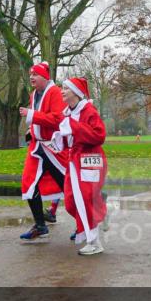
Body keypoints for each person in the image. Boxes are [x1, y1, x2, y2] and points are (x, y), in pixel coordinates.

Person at [51, 77, 108, 255]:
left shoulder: (89, 111)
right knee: (70, 202)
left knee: (85, 200)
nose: (62, 91)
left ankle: (94, 241)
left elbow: (99, 136)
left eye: (66, 88)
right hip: (74, 162)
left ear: (76, 92)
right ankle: (99, 218)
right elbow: (71, 136)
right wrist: (60, 138)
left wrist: (73, 128)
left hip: (90, 161)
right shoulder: (67, 113)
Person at [18, 61, 69, 240]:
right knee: (27, 182)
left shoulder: (55, 92)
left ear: (45, 77)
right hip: (37, 147)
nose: (32, 77)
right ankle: (40, 226)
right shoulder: (34, 94)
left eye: (36, 74)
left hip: (54, 148)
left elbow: (57, 119)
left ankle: (89, 219)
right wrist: (30, 130)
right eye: (31, 74)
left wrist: (31, 116)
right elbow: (38, 118)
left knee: (68, 185)